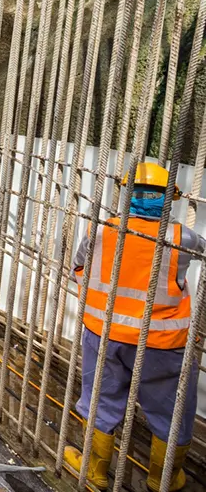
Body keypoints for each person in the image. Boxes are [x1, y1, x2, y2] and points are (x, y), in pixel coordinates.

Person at [64, 162, 203, 492]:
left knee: (101, 397)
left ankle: (95, 470)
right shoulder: (183, 236)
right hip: (163, 341)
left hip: (104, 334)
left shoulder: (100, 230)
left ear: (127, 194)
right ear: (171, 199)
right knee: (171, 407)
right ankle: (162, 477)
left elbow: (77, 269)